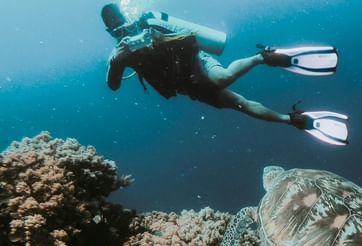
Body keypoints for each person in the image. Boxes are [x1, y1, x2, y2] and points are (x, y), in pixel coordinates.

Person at [101, 3, 348, 145]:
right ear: (111, 32)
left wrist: (158, 39)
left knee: (222, 78)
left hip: (197, 63)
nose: (124, 34)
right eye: (116, 31)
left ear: (131, 19)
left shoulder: (152, 26)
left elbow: (191, 41)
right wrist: (117, 62)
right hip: (188, 86)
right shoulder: (120, 54)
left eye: (125, 26)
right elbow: (113, 86)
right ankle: (293, 120)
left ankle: (264, 57)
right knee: (240, 104)